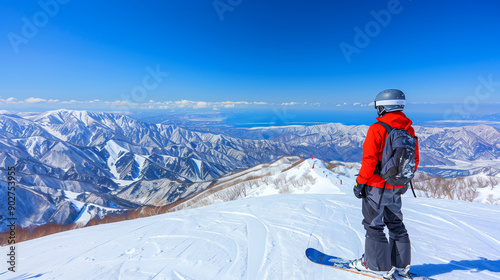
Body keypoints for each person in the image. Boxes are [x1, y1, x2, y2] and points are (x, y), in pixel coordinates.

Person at [349, 89, 419, 280]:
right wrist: (399, 181)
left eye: (378, 107)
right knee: (396, 223)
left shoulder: (377, 129)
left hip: (377, 188)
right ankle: (400, 266)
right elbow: (415, 160)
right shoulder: (408, 130)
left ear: (383, 107)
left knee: (373, 225)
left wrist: (359, 183)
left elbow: (370, 161)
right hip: (397, 187)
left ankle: (376, 266)